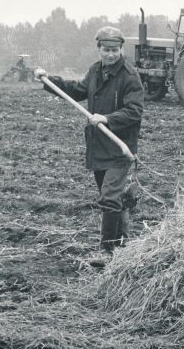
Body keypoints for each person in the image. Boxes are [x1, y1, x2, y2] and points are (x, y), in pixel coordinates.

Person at [35, 26, 145, 268]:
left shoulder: (129, 76)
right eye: (106, 50)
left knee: (109, 197)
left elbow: (135, 111)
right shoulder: (95, 71)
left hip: (120, 147)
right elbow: (78, 90)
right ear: (99, 49)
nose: (110, 54)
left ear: (121, 49)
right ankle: (123, 244)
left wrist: (107, 118)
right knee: (112, 199)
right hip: (98, 145)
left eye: (115, 50)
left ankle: (106, 252)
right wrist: (48, 80)